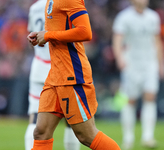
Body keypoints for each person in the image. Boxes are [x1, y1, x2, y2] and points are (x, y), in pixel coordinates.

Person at [27, 0, 121, 149]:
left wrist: (49, 35)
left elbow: (85, 31)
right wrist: (41, 36)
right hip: (55, 76)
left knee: (86, 136)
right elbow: (57, 31)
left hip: (71, 76)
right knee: (41, 132)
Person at [24, 0, 80, 150]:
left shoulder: (34, 8)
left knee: (35, 117)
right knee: (71, 119)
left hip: (38, 66)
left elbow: (32, 36)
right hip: (61, 66)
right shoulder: (63, 4)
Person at [112, 0, 164, 149]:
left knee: (150, 97)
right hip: (132, 63)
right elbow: (117, 39)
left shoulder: (153, 17)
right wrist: (120, 58)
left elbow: (157, 41)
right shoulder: (124, 17)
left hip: (149, 63)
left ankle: (148, 137)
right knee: (130, 100)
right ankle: (128, 137)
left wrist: (160, 64)